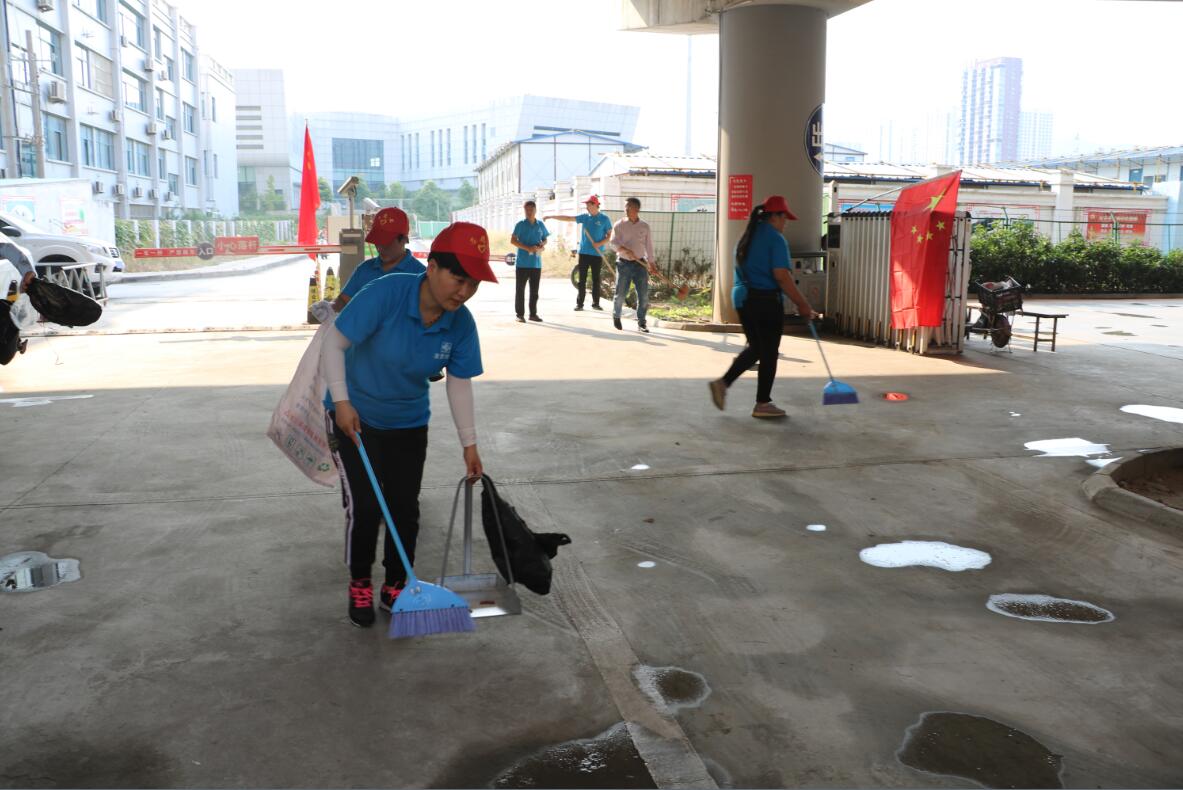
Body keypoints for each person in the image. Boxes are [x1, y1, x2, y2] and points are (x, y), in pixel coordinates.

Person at [319, 221, 497, 628]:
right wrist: (341, 402)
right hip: (355, 418)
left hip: (408, 421)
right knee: (366, 507)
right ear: (431, 267)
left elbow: (459, 381)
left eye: (473, 284)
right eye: (458, 279)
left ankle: (396, 585)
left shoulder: (461, 324)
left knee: (404, 508)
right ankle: (360, 582)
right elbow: (334, 343)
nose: (464, 291)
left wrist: (469, 444)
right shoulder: (385, 294)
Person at [708, 195, 819, 419]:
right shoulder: (775, 239)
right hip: (764, 300)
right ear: (774, 217)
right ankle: (762, 403)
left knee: (757, 348)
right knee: (768, 352)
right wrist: (803, 305)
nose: (785, 223)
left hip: (743, 299)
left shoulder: (746, 237)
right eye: (784, 218)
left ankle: (723, 384)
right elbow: (782, 276)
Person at [331, 207, 424, 312]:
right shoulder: (364, 269)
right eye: (377, 241)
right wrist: (329, 307)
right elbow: (344, 301)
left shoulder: (420, 275)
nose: (380, 247)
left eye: (386, 242)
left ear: (404, 239)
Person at [545, 194, 612, 311]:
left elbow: (610, 235)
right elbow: (568, 218)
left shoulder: (604, 219)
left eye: (588, 204)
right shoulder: (585, 217)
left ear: (595, 205)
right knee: (582, 279)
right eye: (586, 205)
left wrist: (600, 243)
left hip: (597, 254)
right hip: (584, 253)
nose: (586, 207)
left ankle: (596, 303)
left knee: (596, 279)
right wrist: (551, 216)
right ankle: (580, 304)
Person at [610, 197, 656, 333]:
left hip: (640, 264)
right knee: (621, 293)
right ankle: (616, 316)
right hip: (623, 263)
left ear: (637, 209)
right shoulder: (619, 225)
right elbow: (613, 243)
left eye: (628, 206)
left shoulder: (644, 226)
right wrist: (625, 250)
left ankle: (642, 323)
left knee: (643, 295)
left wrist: (652, 263)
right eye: (625, 206)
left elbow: (649, 246)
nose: (625, 209)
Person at [509, 200, 549, 323]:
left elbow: (545, 239)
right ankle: (520, 315)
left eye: (531, 210)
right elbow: (513, 241)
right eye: (527, 210)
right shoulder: (520, 224)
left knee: (534, 292)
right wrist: (527, 248)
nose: (529, 212)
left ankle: (533, 314)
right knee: (520, 290)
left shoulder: (540, 224)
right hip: (522, 263)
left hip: (536, 263)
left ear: (535, 210)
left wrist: (542, 244)